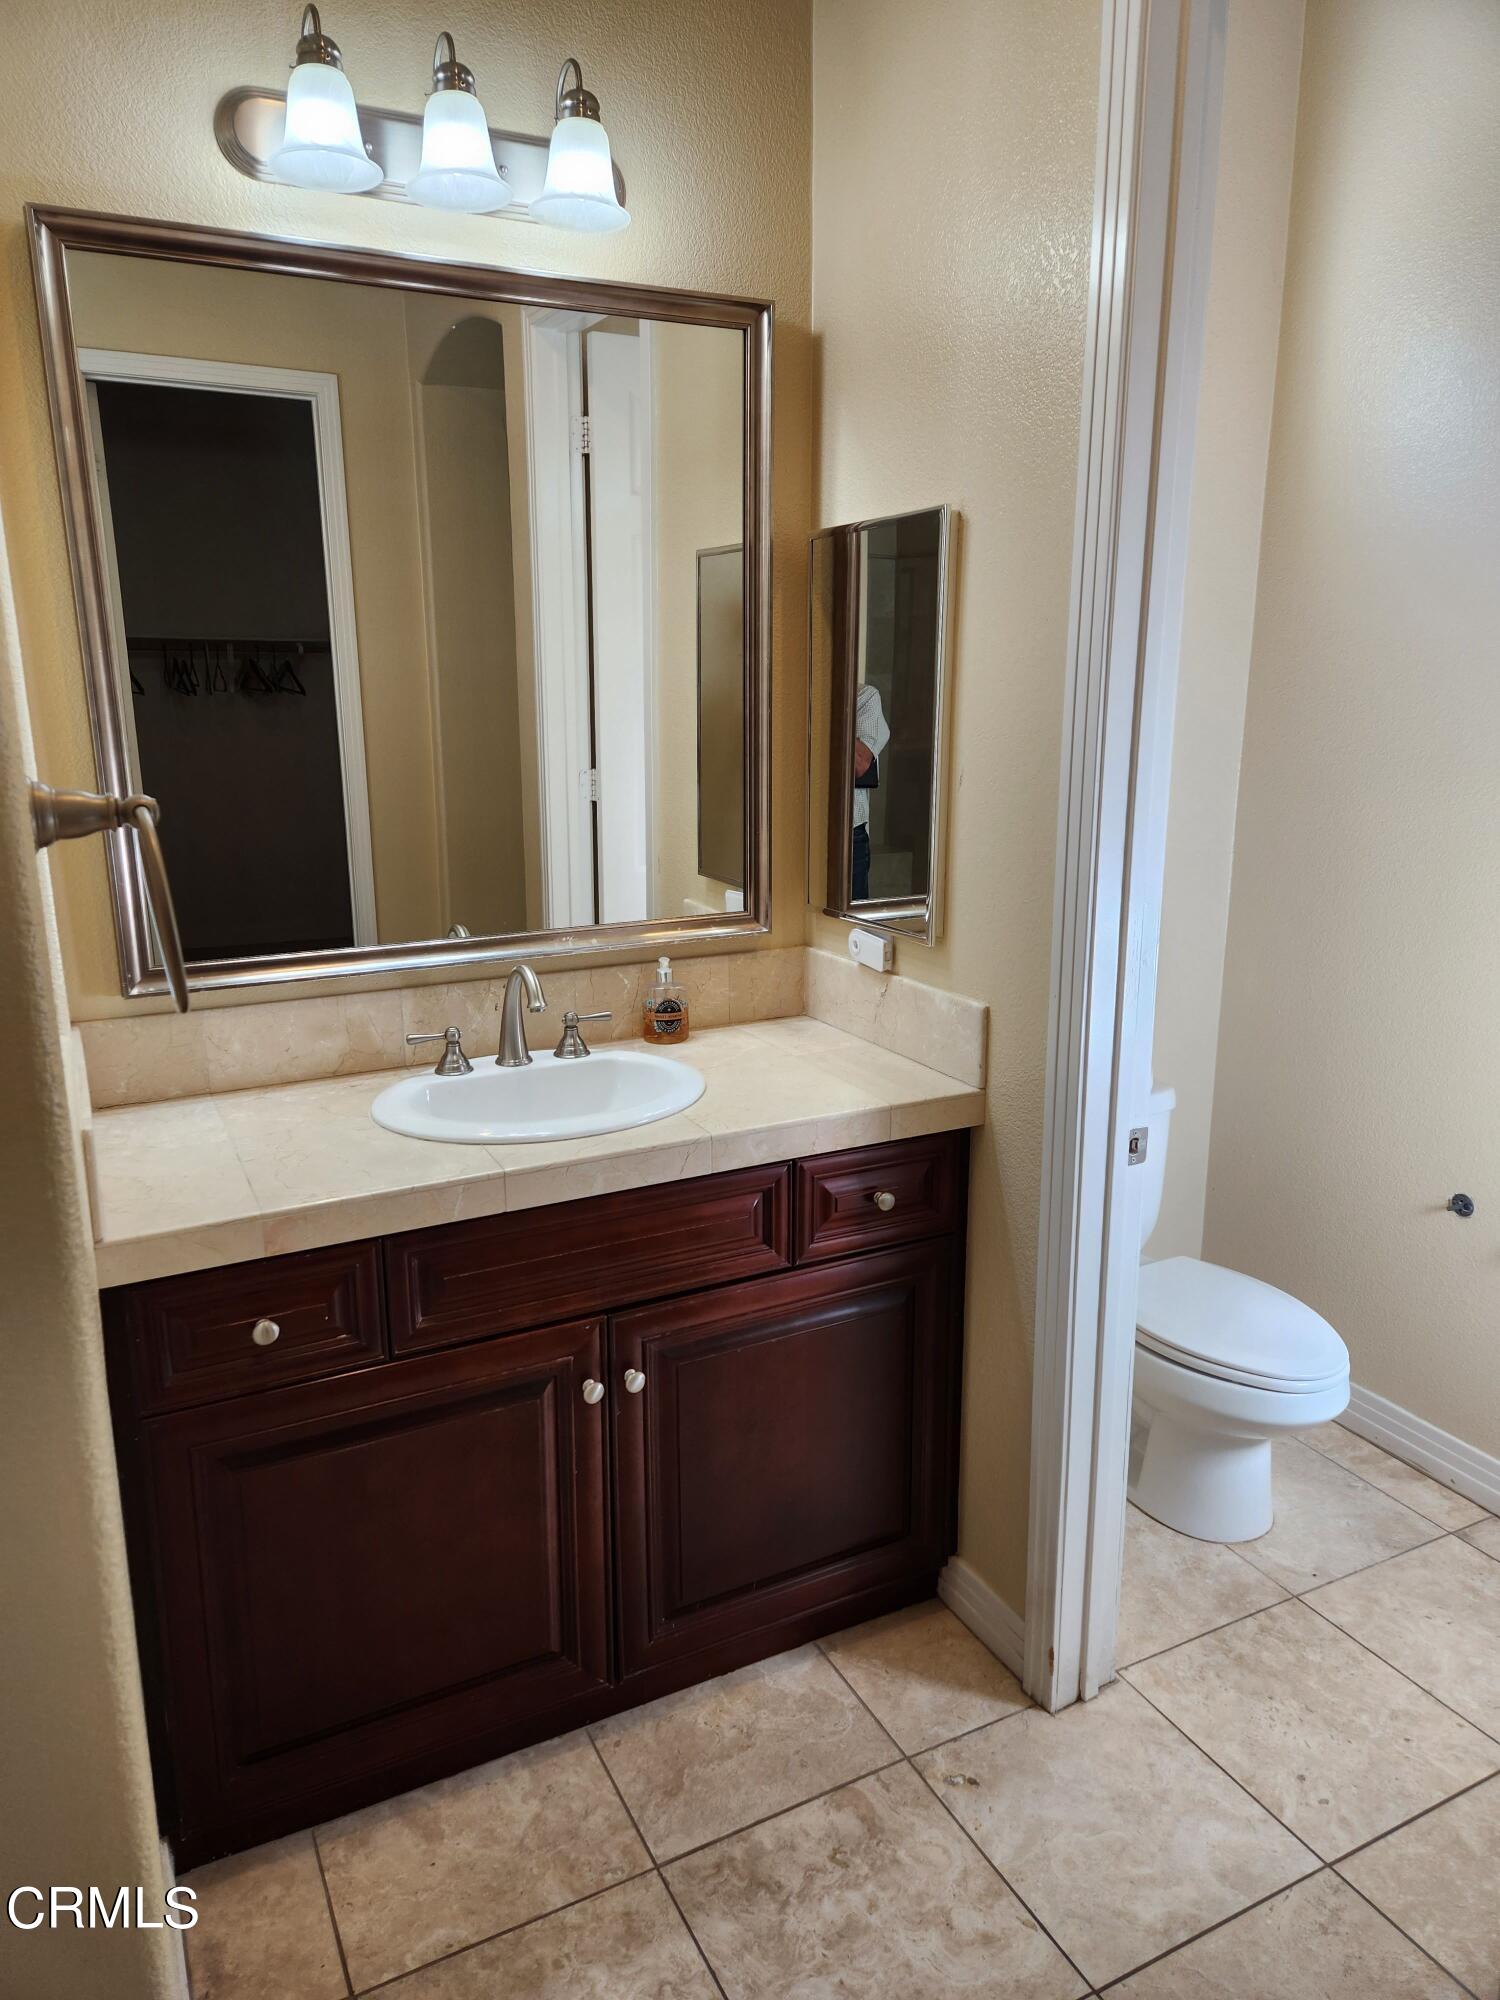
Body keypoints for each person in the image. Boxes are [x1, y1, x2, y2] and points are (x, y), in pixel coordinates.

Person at [852, 678, 889, 901]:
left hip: (848, 833)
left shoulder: (864, 697)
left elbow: (858, 765)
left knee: (851, 923)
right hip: (790, 829)